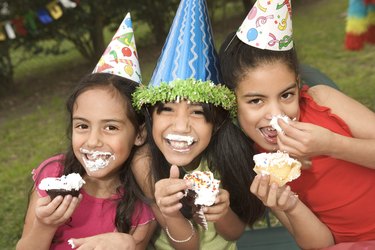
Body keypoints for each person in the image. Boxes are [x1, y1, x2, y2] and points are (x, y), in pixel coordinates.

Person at [219, 0, 375, 248]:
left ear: (298, 84)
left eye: (286, 95)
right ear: (231, 102)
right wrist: (289, 205)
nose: (276, 113)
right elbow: (319, 244)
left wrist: (332, 145)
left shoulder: (322, 99)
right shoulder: (256, 165)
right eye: (256, 100)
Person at [131, 0, 265, 249]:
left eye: (197, 112)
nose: (181, 126)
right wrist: (169, 212)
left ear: (216, 123)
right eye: (167, 109)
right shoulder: (145, 163)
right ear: (151, 116)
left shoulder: (224, 157)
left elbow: (233, 234)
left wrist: (222, 211)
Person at [16, 13, 156, 250]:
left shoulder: (141, 205)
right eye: (82, 125)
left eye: (110, 127)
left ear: (139, 134)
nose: (92, 141)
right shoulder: (53, 175)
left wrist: (128, 243)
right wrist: (44, 225)